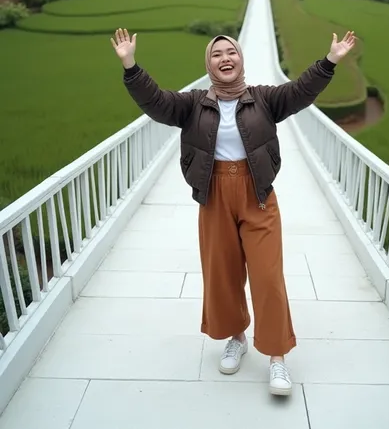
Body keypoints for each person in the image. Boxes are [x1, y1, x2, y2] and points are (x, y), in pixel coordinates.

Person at [111, 27, 356, 396]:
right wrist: (130, 65)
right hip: (214, 196)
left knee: (267, 277)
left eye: (231, 52)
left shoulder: (264, 99)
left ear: (241, 59)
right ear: (208, 64)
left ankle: (277, 357)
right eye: (216, 54)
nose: (225, 58)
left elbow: (301, 91)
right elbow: (157, 103)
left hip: (257, 194)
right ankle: (236, 337)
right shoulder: (193, 104)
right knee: (221, 274)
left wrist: (331, 60)